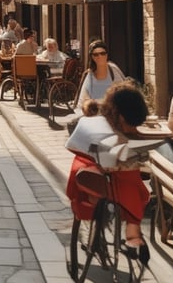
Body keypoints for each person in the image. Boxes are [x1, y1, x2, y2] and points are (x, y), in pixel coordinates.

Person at [65, 81, 152, 264]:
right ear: (120, 117)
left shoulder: (113, 120)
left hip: (108, 173)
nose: (133, 129)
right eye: (131, 125)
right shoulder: (101, 129)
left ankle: (130, 229)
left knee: (132, 180)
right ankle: (132, 230)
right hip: (96, 175)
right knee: (134, 187)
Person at [74, 40, 125, 114]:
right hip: (95, 113)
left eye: (102, 53)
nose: (100, 56)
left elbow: (123, 93)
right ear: (92, 57)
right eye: (96, 54)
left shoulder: (113, 70)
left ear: (107, 55)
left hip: (113, 113)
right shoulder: (89, 75)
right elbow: (82, 101)